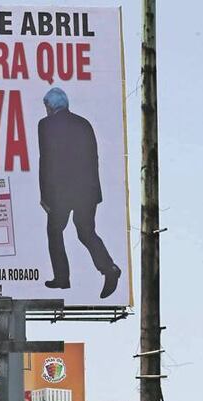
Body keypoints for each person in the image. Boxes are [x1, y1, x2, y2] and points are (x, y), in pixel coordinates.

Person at [38, 87, 121, 299]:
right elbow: (94, 159)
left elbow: (46, 161)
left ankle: (62, 278)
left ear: (49, 106)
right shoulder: (83, 123)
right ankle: (109, 268)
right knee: (86, 231)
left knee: (54, 231)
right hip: (86, 191)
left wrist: (45, 196)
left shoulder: (46, 125)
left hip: (61, 192)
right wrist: (95, 193)